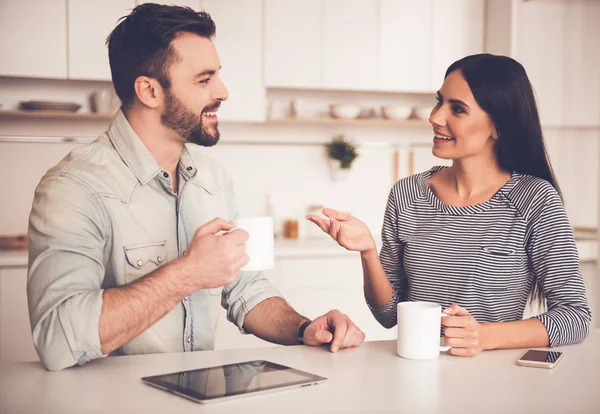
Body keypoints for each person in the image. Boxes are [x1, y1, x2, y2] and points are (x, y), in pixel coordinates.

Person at [27, 4, 364, 372]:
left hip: (198, 396)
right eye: (204, 80)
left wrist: (304, 328)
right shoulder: (73, 187)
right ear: (149, 91)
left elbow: (246, 288)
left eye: (217, 75)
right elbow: (57, 340)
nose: (223, 91)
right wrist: (188, 273)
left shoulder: (213, 178)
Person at [307, 54, 591, 357]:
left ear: (498, 125)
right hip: (412, 374)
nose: (435, 117)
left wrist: (484, 336)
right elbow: (388, 316)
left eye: (457, 109)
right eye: (439, 101)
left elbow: (575, 317)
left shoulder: (535, 200)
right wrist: (367, 252)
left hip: (492, 383)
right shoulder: (407, 194)